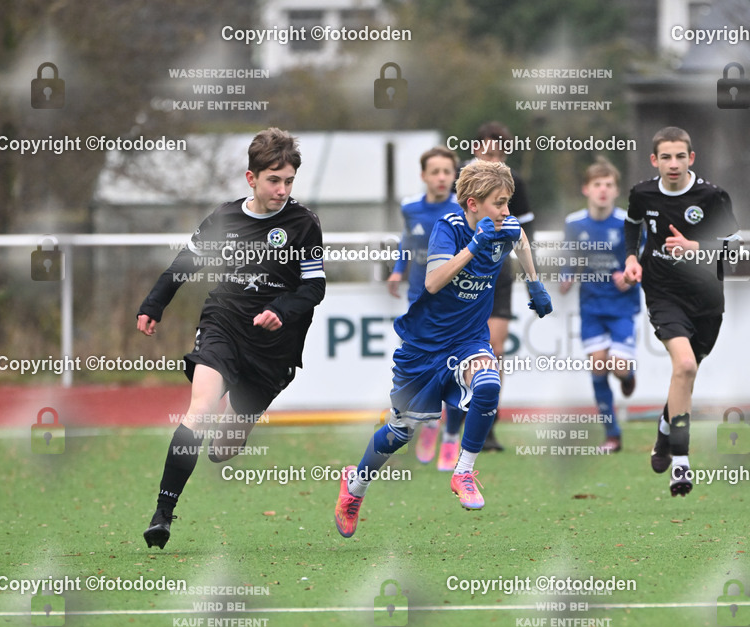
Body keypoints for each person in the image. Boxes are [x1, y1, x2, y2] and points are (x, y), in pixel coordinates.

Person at [334, 160, 552, 538]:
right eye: (499, 203)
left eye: (508, 203)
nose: (506, 211)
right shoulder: (447, 228)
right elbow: (433, 281)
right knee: (400, 431)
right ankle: (355, 487)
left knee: (488, 383)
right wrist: (474, 245)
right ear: (472, 204)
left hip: (469, 339)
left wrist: (535, 284)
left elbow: (520, 239)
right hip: (424, 347)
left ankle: (464, 471)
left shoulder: (503, 226)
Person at [137, 127, 326, 548]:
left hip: (275, 347)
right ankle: (163, 514)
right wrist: (154, 304)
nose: (282, 189)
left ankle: (238, 425)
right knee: (200, 410)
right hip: (224, 323)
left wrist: (280, 310)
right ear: (251, 178)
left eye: (289, 181)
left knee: (224, 447)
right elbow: (185, 264)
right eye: (273, 180)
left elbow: (314, 288)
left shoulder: (303, 223)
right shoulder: (224, 219)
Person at [622, 127, 740, 497]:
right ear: (654, 161)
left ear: (692, 158)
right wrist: (630, 258)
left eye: (680, 156)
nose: (673, 164)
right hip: (662, 292)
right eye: (665, 157)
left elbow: (735, 251)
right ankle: (681, 461)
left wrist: (696, 248)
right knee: (685, 366)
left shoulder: (712, 196)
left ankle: (664, 428)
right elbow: (632, 223)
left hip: (706, 297)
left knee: (686, 374)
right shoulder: (642, 193)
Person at [386, 146, 465, 469]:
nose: (442, 178)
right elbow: (408, 240)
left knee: (460, 373)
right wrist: (397, 269)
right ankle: (431, 424)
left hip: (456, 305)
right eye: (436, 172)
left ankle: (451, 437)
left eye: (448, 171)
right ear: (424, 176)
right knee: (425, 371)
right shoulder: (410, 208)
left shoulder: (463, 209)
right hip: (419, 302)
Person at [459, 121, 536, 451]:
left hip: (497, 275)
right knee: (460, 352)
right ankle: (455, 419)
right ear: (476, 150)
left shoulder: (514, 182)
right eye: (487, 151)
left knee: (494, 350)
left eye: (499, 152)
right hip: (461, 273)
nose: (493, 158)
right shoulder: (461, 181)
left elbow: (525, 231)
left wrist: (533, 278)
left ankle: (486, 424)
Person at [560, 158, 639, 453]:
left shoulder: (627, 222)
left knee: (617, 367)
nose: (603, 190)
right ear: (586, 189)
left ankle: (628, 377)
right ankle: (612, 434)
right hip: (591, 305)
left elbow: (640, 259)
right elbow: (569, 257)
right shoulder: (574, 223)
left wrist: (630, 276)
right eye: (597, 185)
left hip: (621, 305)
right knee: (597, 365)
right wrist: (566, 276)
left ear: (616, 190)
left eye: (608, 185)